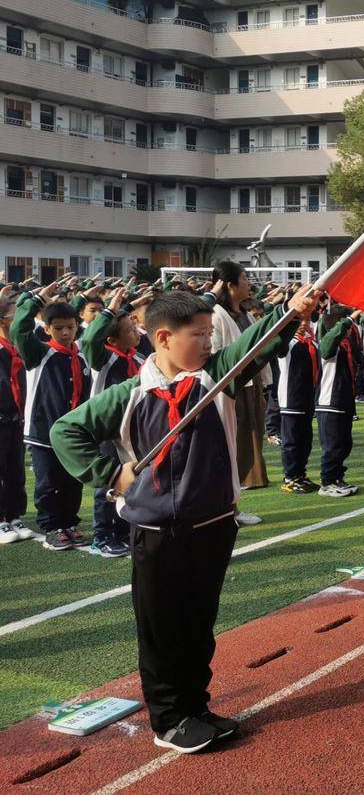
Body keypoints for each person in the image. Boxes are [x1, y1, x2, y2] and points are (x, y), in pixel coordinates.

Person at [53, 286, 314, 754]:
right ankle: (169, 720)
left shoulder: (217, 377)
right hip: (157, 533)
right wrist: (112, 475)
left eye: (210, 334)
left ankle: (196, 707)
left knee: (198, 624)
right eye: (199, 335)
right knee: (161, 629)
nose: (210, 343)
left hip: (213, 525)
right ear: (163, 338)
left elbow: (255, 344)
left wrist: (290, 312)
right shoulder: (130, 394)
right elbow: (65, 430)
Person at [12, 282, 91, 550]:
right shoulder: (40, 353)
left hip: (73, 433)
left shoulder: (80, 357)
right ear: (47, 330)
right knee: (49, 481)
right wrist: (34, 300)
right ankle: (52, 527)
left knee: (72, 480)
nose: (66, 333)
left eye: (70, 327)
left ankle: (69, 523)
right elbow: (19, 329)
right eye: (58, 328)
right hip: (43, 431)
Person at [81, 285, 149, 557]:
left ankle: (123, 530)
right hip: (107, 431)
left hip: (130, 430)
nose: (137, 332)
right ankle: (102, 535)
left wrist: (128, 309)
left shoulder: (139, 357)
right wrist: (109, 310)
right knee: (107, 482)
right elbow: (89, 341)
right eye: (130, 330)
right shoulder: (104, 359)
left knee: (130, 479)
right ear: (112, 341)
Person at [208, 263, 269, 506]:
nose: (248, 282)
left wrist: (263, 385)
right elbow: (215, 355)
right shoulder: (216, 315)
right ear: (230, 285)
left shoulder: (246, 313)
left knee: (250, 438)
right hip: (231, 388)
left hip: (250, 384)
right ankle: (226, 504)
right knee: (230, 443)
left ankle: (235, 500)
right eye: (244, 278)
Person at [315, 305, 361, 496]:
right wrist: (347, 321)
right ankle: (327, 482)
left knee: (344, 443)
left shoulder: (345, 344)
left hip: (343, 401)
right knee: (332, 445)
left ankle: (337, 477)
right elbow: (327, 344)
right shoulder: (329, 343)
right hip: (330, 402)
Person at [275, 308, 321, 493]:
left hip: (308, 397)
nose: (304, 324)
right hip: (291, 398)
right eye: (299, 321)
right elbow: (279, 343)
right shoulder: (288, 344)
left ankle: (300, 474)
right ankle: (290, 476)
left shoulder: (313, 342)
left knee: (305, 440)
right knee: (292, 441)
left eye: (307, 320)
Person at [0, 294, 33, 544]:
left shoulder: (17, 347)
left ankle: (14, 515)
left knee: (15, 470)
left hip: (15, 418)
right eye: (15, 316)